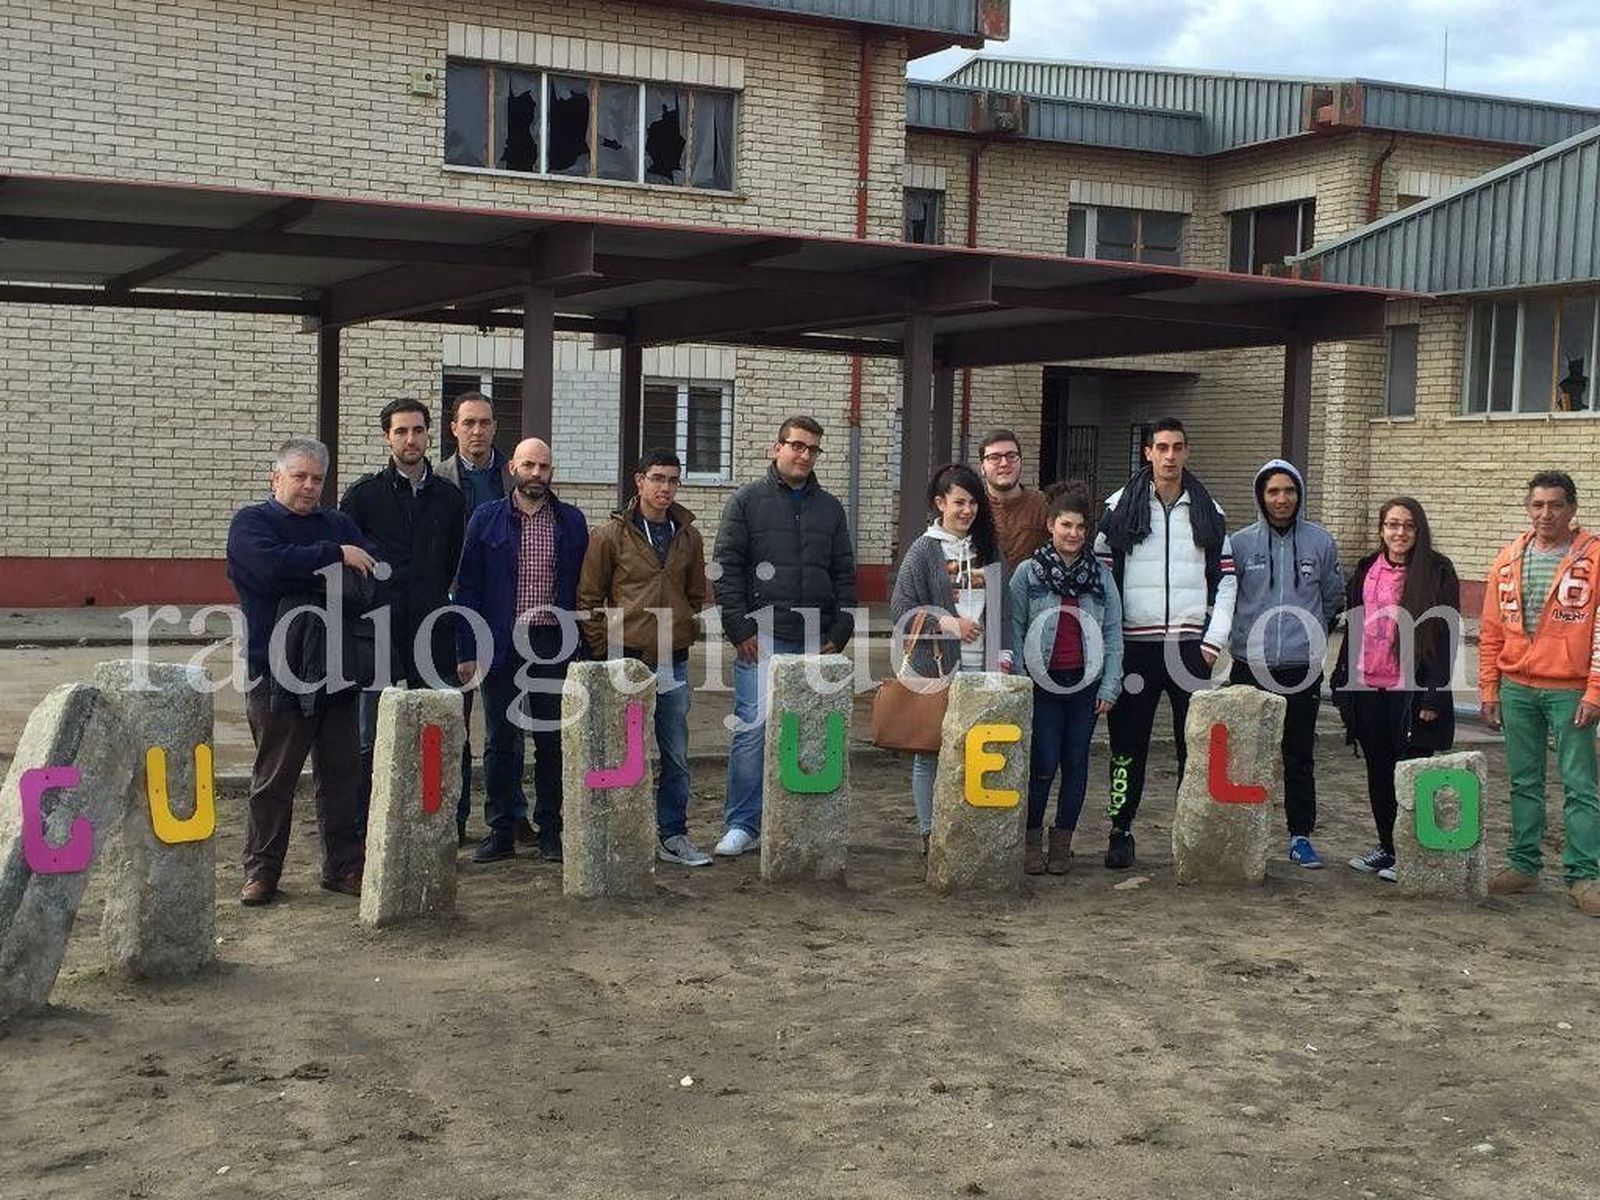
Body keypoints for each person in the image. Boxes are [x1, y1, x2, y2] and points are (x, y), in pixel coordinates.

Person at [225, 438, 377, 906]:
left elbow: (366, 579)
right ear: (276, 478)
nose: (309, 486)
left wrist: (319, 566)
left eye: (316, 479)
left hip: (337, 672)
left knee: (341, 778)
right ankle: (262, 872)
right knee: (275, 781)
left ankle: (343, 867)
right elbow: (267, 570)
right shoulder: (252, 523)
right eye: (299, 477)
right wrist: (332, 557)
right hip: (275, 675)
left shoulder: (338, 523)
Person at [1093, 417, 1236, 869]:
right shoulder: (1119, 507)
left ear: (1187, 452)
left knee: (1192, 745)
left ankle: (1190, 830)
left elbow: (1227, 580)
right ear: (1147, 453)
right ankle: (1121, 829)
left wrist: (1212, 643)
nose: (1170, 456)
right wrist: (1109, 640)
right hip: (1136, 649)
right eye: (1161, 447)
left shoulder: (1208, 509)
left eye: (1177, 447)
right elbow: (1100, 575)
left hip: (1189, 650)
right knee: (1127, 746)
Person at [713, 416, 856, 857]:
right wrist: (739, 628)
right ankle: (743, 823)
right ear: (776, 449)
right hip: (763, 637)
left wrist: (840, 630)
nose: (804, 455)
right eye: (797, 445)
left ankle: (800, 823)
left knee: (810, 732)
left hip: (816, 640)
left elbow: (844, 575)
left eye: (813, 448)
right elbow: (726, 567)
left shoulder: (830, 509)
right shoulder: (746, 502)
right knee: (753, 730)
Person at [454, 436, 589, 864]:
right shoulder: (485, 519)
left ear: (552, 472)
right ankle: (502, 829)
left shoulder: (571, 521)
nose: (536, 474)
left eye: (544, 467)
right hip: (498, 641)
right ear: (513, 467)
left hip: (553, 642)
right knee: (501, 739)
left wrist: (583, 646)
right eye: (528, 465)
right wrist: (466, 649)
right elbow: (468, 587)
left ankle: (551, 829)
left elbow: (582, 590)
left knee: (551, 739)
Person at [577, 448, 713, 868]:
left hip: (671, 659)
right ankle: (622, 835)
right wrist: (607, 649)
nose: (665, 488)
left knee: (675, 751)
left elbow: (695, 594)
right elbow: (588, 598)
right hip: (626, 661)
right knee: (625, 751)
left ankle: (673, 834)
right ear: (640, 481)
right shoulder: (609, 535)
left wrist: (686, 627)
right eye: (657, 478)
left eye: (673, 480)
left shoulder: (688, 535)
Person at [339, 399, 464, 832]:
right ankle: (365, 822)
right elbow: (347, 565)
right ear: (387, 437)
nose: (410, 440)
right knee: (370, 733)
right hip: (378, 631)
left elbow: (453, 560)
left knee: (440, 724)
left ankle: (443, 821)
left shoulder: (450, 498)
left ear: (430, 434)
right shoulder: (363, 496)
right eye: (401, 432)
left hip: (432, 630)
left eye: (417, 431)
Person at [1479, 471, 1600, 915]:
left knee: (1580, 785)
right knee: (1523, 781)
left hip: (1570, 690)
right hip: (1517, 689)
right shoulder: (1508, 559)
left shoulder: (1594, 558)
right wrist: (1489, 688)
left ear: (1572, 508)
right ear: (1528, 508)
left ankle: (1584, 875)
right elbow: (1491, 631)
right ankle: (1524, 864)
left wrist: (1595, 691)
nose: (1546, 513)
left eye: (1555, 505)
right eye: (1538, 505)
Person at [1331, 497, 1459, 882]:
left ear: (1418, 530)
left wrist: (1435, 694)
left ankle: (1414, 852)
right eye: (1392, 525)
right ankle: (1387, 847)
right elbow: (1355, 625)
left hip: (1413, 692)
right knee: (1378, 769)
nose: (1399, 533)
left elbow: (1445, 636)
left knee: (1412, 773)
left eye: (1408, 526)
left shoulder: (1437, 571)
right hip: (1368, 686)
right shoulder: (1368, 567)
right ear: (1382, 529)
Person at [1227, 459, 1344, 869]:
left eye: (1289, 491)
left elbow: (1332, 596)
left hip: (1301, 667)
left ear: (1299, 494)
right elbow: (1228, 597)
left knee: (1298, 755)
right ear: (1261, 496)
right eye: (1273, 491)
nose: (1282, 499)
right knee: (1246, 754)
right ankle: (1241, 831)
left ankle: (1300, 835)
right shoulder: (1239, 544)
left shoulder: (1320, 542)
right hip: (1249, 665)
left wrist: (1310, 634)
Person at [891, 463, 1012, 855]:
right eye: (959, 501)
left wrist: (1004, 658)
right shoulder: (923, 550)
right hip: (937, 669)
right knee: (930, 751)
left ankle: (970, 828)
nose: (967, 510)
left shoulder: (989, 549)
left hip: (984, 667)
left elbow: (1004, 608)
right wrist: (948, 623)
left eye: (973, 502)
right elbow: (901, 610)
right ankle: (929, 835)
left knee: (981, 749)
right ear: (940, 502)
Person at [1009, 481, 1123, 874]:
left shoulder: (1100, 576)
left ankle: (1063, 842)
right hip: (1042, 683)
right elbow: (1015, 626)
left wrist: (1110, 684)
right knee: (1043, 761)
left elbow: (1112, 631)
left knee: (1075, 762)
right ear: (1051, 525)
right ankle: (1031, 839)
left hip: (1084, 684)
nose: (1073, 534)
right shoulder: (1029, 573)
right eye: (1065, 525)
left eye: (1079, 527)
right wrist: (1021, 680)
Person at [436, 392, 525, 844]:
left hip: (501, 619)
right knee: (453, 720)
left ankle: (509, 815)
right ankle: (452, 816)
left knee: (506, 725)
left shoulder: (516, 478)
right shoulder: (437, 481)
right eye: (468, 422)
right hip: (450, 618)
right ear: (454, 428)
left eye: (485, 422)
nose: (477, 430)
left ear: (495, 427)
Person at [978, 428, 1049, 568]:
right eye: (994, 457)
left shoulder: (1044, 505)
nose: (1004, 463)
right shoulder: (973, 508)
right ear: (982, 467)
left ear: (1021, 462)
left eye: (1011, 456)